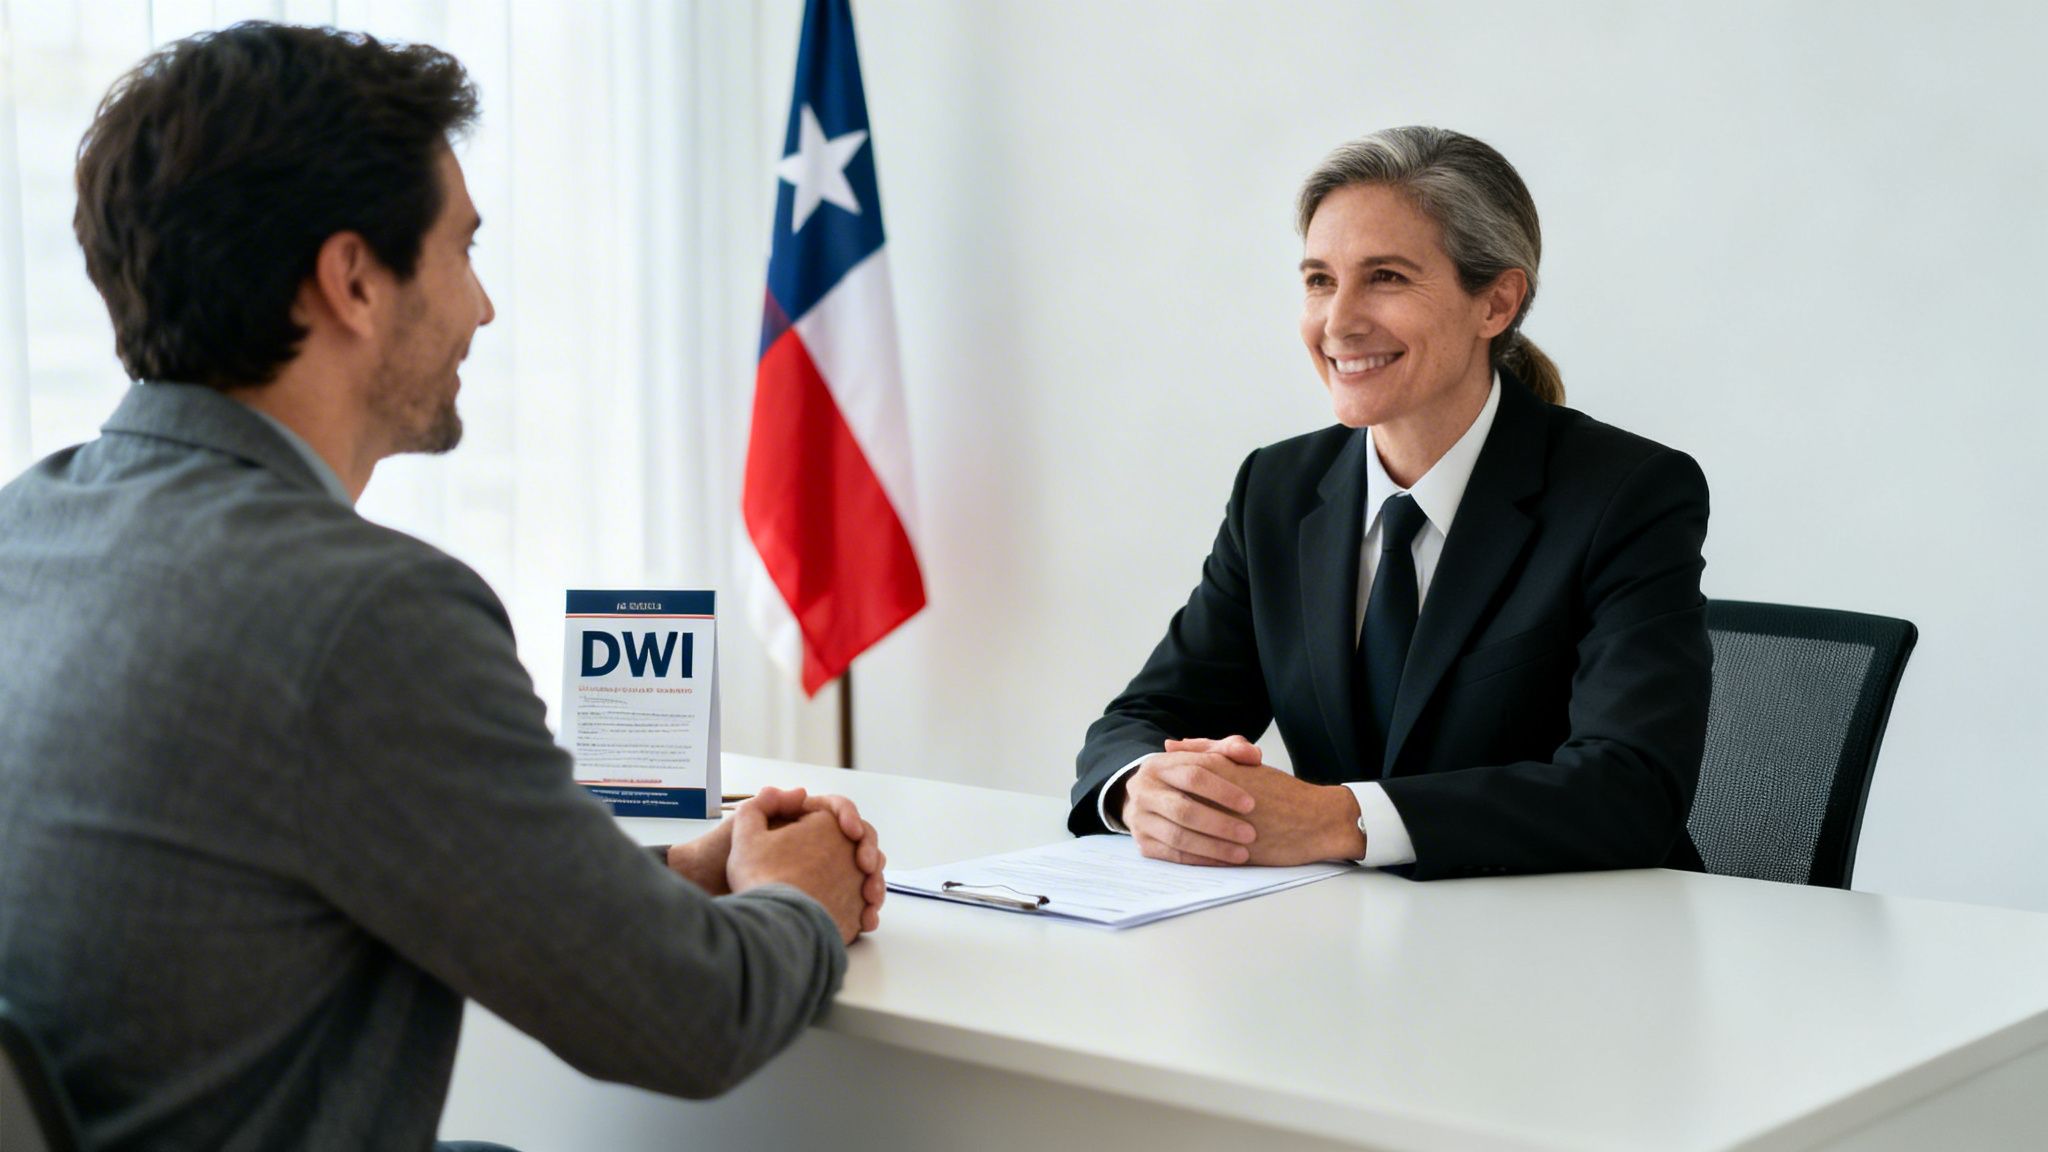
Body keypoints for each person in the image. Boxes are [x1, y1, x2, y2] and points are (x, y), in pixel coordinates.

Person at [0, 22, 884, 1152]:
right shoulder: (365, 616)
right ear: (354, 281)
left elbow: (341, 832)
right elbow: (693, 1021)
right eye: (463, 248)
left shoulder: (25, 528)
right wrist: (800, 896)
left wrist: (667, 867)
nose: (482, 306)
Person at [1069, 126, 1711, 881]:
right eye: (1318, 279)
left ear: (1496, 302)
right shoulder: (1277, 490)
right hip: (1352, 946)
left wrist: (1338, 818)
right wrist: (1145, 789)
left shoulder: (1626, 494)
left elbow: (1629, 791)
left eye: (1387, 278)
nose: (1338, 323)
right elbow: (1144, 720)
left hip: (1578, 947)